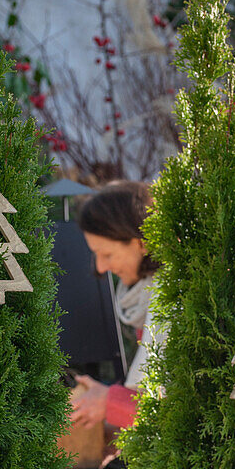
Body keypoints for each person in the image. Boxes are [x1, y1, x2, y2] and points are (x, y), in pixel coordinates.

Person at [70, 180, 161, 431]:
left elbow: (175, 411)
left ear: (141, 242)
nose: (100, 267)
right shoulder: (148, 298)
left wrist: (110, 401)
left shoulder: (174, 300)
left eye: (107, 254)